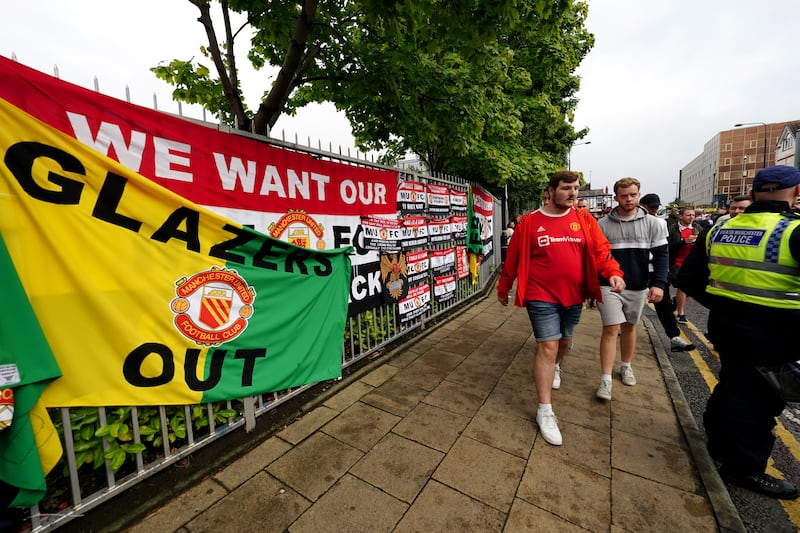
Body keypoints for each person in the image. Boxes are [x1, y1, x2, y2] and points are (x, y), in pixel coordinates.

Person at [676, 165, 800, 499]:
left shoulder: (719, 230)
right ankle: (744, 468)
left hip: (726, 325)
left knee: (733, 381)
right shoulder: (792, 232)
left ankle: (717, 437)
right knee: (759, 402)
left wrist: (723, 303)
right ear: (796, 192)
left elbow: (687, 280)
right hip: (776, 333)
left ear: (756, 192)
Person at [497, 170, 625, 446]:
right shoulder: (529, 222)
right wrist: (503, 287)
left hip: (573, 296)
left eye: (576, 188)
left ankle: (555, 367)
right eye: (567, 188)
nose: (573, 194)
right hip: (539, 295)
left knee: (565, 342)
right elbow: (513, 257)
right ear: (551, 190)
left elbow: (601, 252)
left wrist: (613, 272)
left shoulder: (584, 220)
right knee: (548, 346)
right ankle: (545, 410)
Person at [594, 179, 668, 400]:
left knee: (629, 327)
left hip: (638, 285)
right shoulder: (602, 225)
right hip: (608, 285)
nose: (629, 199)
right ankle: (605, 379)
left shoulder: (654, 224)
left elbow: (662, 256)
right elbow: (597, 257)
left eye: (633, 195)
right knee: (610, 327)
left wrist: (659, 284)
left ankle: (626, 365)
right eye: (624, 195)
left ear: (638, 195)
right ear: (616, 197)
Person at [639, 193, 695, 352]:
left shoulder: (660, 223)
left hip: (655, 268)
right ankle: (623, 327)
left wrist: (663, 269)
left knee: (663, 303)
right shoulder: (632, 222)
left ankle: (674, 337)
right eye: (651, 207)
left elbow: (664, 250)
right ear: (642, 205)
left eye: (656, 207)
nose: (654, 210)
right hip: (635, 269)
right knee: (629, 302)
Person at [668, 207, 702, 323]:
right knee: (683, 286)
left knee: (695, 288)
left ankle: (676, 300)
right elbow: (668, 246)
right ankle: (681, 313)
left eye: (693, 215)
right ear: (681, 216)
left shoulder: (697, 228)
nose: (691, 217)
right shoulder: (673, 229)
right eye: (688, 215)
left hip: (693, 262)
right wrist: (683, 242)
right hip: (678, 262)